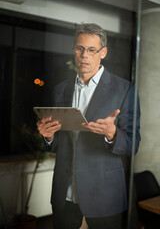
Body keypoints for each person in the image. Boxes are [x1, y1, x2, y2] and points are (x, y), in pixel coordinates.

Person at [37, 23, 141, 229]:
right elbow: (60, 143)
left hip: (104, 197)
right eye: (80, 48)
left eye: (92, 50)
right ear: (74, 50)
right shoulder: (61, 89)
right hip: (64, 196)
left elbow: (132, 145)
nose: (84, 55)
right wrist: (48, 137)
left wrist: (112, 134)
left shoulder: (124, 90)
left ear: (103, 52)